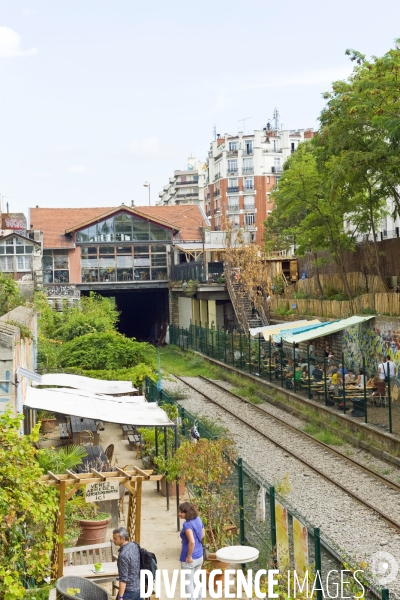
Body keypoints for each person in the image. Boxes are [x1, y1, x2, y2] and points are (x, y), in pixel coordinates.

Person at [178, 502, 204, 600]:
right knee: (196, 581)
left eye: (181, 512)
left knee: (189, 584)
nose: (179, 514)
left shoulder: (187, 524)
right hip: (199, 556)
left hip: (190, 559)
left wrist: (189, 556)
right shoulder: (198, 519)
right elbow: (202, 535)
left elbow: (192, 541)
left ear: (187, 513)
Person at [113, 527, 141, 600]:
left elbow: (123, 578)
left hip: (128, 591)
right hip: (139, 588)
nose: (113, 540)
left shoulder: (123, 555)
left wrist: (120, 596)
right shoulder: (135, 545)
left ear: (122, 539)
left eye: (115, 538)